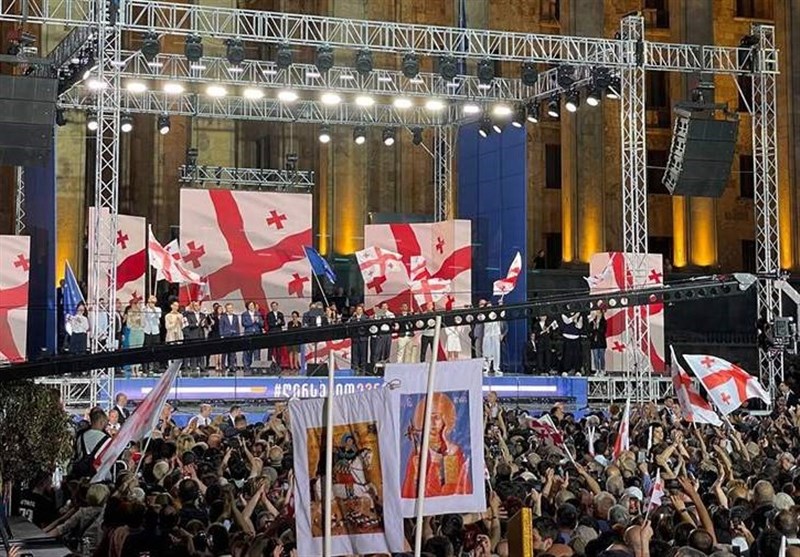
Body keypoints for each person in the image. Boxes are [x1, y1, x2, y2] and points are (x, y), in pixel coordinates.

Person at [401, 392, 471, 498]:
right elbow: (409, 492)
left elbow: (456, 489)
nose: (432, 422)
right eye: (428, 418)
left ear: (445, 419)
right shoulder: (417, 453)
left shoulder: (453, 452)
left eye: (437, 417)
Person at [241, 301, 264, 373]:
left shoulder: (258, 313)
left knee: (257, 352)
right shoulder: (244, 314)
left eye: (252, 305)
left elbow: (262, 324)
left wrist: (258, 321)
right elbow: (244, 323)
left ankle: (256, 367)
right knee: (247, 352)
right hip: (248, 334)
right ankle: (247, 367)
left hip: (256, 334)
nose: (251, 307)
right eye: (250, 305)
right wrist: (252, 322)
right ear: (247, 307)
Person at [182, 300, 205, 372]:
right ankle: (193, 366)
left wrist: (205, 324)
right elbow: (188, 325)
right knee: (193, 351)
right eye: (195, 306)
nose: (197, 307)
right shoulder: (189, 314)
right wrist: (196, 324)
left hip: (201, 335)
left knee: (201, 351)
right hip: (193, 335)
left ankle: (202, 366)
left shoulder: (203, 315)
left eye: (198, 305)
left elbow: (206, 324)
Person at [219, 303, 241, 374]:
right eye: (229, 308)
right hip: (226, 336)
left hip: (233, 336)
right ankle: (223, 366)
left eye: (231, 308)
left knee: (232, 352)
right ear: (226, 309)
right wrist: (222, 335)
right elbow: (221, 326)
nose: (230, 309)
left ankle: (231, 366)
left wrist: (238, 335)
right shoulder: (223, 317)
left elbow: (237, 326)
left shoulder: (235, 316)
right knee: (224, 352)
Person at [142, 295, 161, 373]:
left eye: (153, 302)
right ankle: (145, 368)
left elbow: (158, 316)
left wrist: (153, 309)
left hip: (155, 331)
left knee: (156, 349)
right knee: (146, 350)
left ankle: (156, 367)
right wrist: (147, 308)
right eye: (150, 302)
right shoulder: (145, 309)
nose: (152, 303)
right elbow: (145, 317)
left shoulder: (158, 309)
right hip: (147, 331)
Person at [126, 299, 145, 375]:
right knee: (133, 350)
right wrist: (134, 321)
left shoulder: (141, 312)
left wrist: (141, 316)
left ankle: (137, 368)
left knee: (139, 350)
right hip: (133, 332)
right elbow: (128, 325)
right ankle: (133, 369)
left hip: (140, 332)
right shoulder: (130, 312)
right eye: (135, 304)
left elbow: (143, 324)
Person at [483, 304, 503, 374]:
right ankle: (486, 367)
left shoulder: (495, 313)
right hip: (487, 335)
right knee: (486, 352)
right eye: (488, 306)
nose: (490, 308)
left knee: (496, 352)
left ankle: (496, 368)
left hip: (495, 334)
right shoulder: (484, 315)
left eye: (491, 306)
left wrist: (501, 305)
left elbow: (502, 314)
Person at [349, 304, 369, 372]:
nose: (359, 311)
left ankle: (363, 368)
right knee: (355, 354)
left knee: (363, 354)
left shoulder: (366, 318)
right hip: (355, 338)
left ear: (362, 310)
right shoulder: (353, 318)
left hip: (363, 338)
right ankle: (355, 368)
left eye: (360, 309)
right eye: (358, 309)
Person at [205, 303, 224, 374]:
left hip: (222, 334)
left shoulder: (224, 316)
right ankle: (216, 365)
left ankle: (220, 364)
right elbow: (209, 326)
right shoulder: (212, 317)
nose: (220, 310)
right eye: (219, 309)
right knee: (216, 351)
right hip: (215, 335)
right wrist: (211, 324)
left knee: (221, 351)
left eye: (221, 309)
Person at [588, 309, 607, 375]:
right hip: (594, 342)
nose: (598, 314)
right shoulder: (593, 321)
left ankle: (602, 369)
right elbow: (590, 330)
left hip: (601, 342)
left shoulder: (603, 321)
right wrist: (593, 327)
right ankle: (597, 370)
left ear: (601, 314)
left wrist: (597, 326)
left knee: (601, 357)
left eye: (599, 313)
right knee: (595, 357)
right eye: (597, 312)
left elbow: (603, 331)